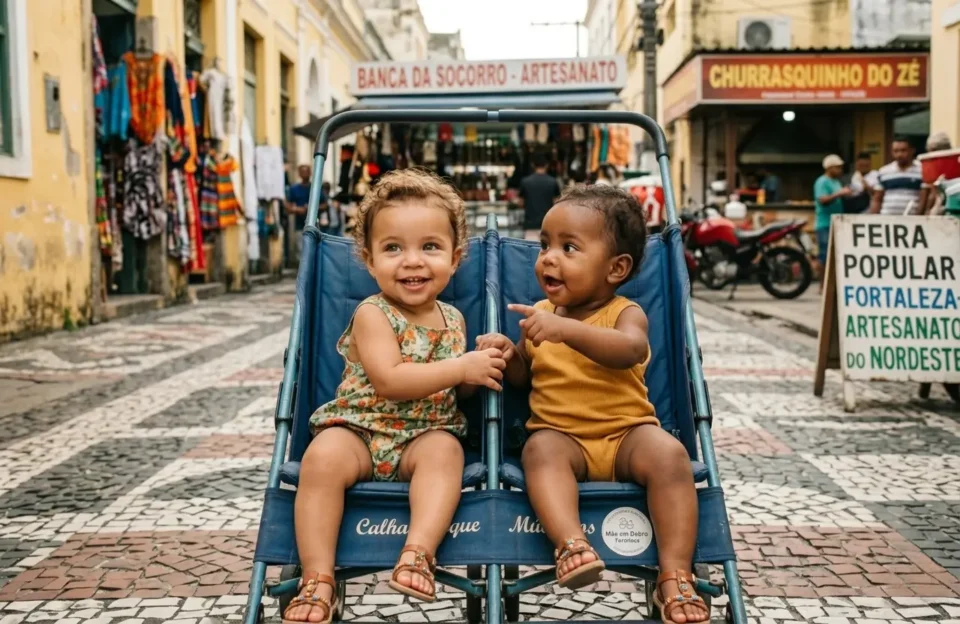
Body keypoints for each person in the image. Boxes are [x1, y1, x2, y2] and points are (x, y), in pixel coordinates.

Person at [283, 169, 507, 624]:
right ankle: (318, 578)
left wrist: (478, 370)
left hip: (424, 435)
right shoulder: (372, 313)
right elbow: (389, 378)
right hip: (360, 429)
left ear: (456, 257)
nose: (412, 261)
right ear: (368, 260)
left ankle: (418, 553)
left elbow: (450, 388)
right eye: (393, 248)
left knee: (447, 452)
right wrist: (458, 366)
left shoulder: (455, 318)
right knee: (321, 459)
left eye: (429, 247)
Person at [476, 185, 709, 624]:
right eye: (545, 245)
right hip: (563, 439)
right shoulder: (542, 315)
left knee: (671, 456)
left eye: (569, 247)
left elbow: (628, 350)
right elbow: (527, 376)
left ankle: (675, 574)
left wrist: (566, 331)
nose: (548, 257)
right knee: (537, 451)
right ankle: (571, 545)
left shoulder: (625, 312)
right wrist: (510, 352)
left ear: (616, 268)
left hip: (627, 435)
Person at [814, 155, 852, 291]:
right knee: (824, 255)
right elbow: (823, 200)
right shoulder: (822, 181)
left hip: (837, 223)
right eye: (838, 167)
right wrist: (840, 193)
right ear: (829, 168)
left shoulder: (836, 182)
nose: (840, 170)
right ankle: (822, 286)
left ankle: (832, 285)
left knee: (836, 255)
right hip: (824, 223)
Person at [870, 136, 927, 215]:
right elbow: (877, 199)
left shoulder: (922, 170)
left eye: (903, 150)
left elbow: (923, 199)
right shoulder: (884, 171)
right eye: (896, 151)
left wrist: (918, 218)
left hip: (911, 220)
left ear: (912, 150)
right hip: (887, 219)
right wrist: (873, 219)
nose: (899, 154)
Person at [519, 152, 562, 241]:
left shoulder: (525, 182)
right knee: (547, 253)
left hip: (530, 225)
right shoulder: (553, 182)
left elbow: (521, 203)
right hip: (548, 225)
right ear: (547, 165)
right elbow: (557, 204)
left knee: (531, 253)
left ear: (532, 165)